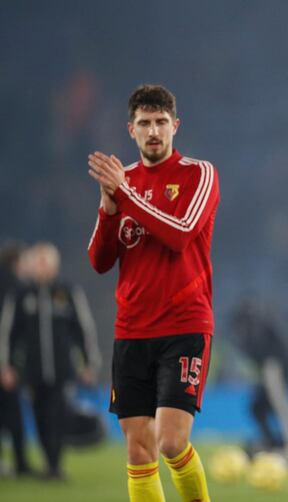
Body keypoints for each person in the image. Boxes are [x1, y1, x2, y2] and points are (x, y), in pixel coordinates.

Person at [87, 84, 219, 502]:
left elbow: (180, 235)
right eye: (144, 123)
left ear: (175, 126)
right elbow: (100, 261)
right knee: (139, 449)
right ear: (131, 129)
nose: (153, 130)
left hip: (184, 326)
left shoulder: (199, 174)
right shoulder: (121, 183)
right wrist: (110, 210)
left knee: (171, 442)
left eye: (161, 121)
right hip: (131, 331)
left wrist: (123, 194)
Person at [0, 242, 101, 480]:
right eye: (39, 262)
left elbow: (83, 329)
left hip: (62, 370)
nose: (43, 268)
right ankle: (48, 462)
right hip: (33, 371)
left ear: (55, 266)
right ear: (33, 266)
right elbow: (8, 334)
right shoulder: (21, 294)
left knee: (57, 415)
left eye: (47, 263)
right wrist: (6, 367)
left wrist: (89, 363)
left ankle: (55, 466)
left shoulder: (67, 292)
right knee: (39, 416)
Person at [229, 298, 288, 467]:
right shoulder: (259, 323)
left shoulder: (257, 325)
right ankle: (272, 442)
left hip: (275, 366)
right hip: (270, 367)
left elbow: (265, 353)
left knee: (280, 404)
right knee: (258, 406)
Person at [0, 241, 33, 477]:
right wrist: (7, 366)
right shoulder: (14, 288)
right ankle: (21, 464)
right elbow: (7, 331)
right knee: (13, 416)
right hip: (6, 365)